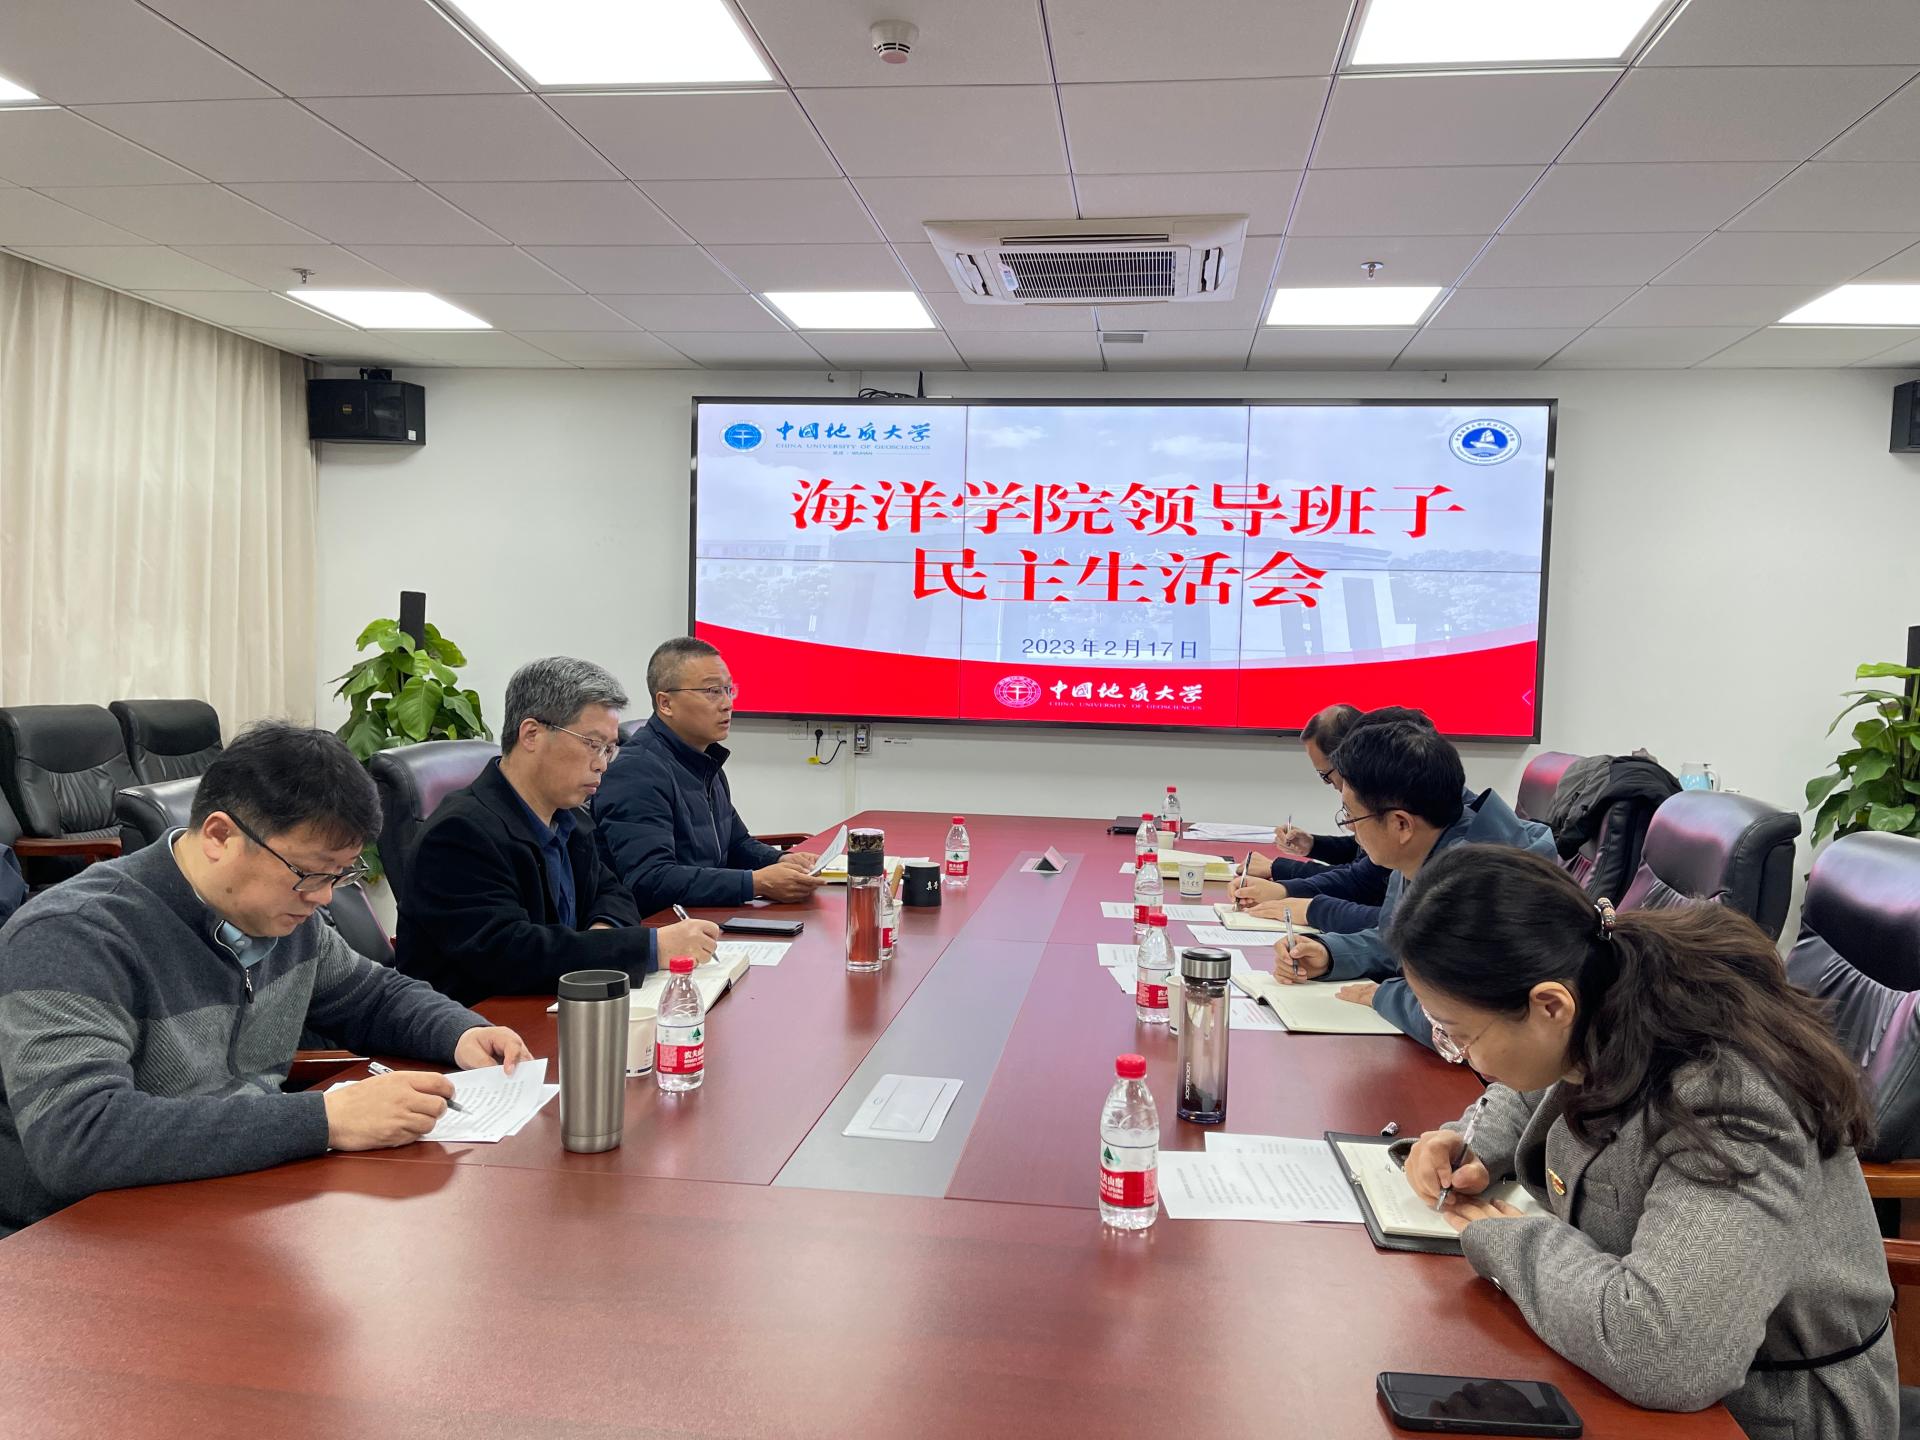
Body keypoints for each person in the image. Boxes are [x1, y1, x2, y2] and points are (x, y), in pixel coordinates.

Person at [1397, 846, 1896, 1437]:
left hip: (1771, 1411)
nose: (1460, 1055)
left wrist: (1512, 1241)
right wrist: (1475, 1141)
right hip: (1626, 1363)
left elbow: (1668, 1353)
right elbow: (1555, 1072)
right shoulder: (1607, 986)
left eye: (1459, 1036)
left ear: (1549, 1004)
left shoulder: (1728, 1101)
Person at [0, 722, 533, 1238]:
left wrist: (461, 1031)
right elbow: (78, 1137)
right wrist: (325, 1119)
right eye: (310, 873)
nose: (324, 896)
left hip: (232, 1202)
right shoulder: (72, 935)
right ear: (220, 836)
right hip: (80, 1236)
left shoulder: (282, 915)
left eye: (340, 874)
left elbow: (372, 996)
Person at [396, 657, 719, 1006]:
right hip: (484, 1023)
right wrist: (650, 948)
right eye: (592, 744)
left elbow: (615, 894)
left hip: (557, 1007)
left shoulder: (570, 819)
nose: (602, 764)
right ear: (531, 734)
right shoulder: (459, 834)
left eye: (609, 749)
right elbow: (511, 955)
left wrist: (602, 941)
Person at [1270, 716, 1556, 1043]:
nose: (1349, 827)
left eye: (1351, 815)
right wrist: (1330, 953)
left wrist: (1384, 996)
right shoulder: (1423, 849)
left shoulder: (1477, 885)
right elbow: (1396, 941)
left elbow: (1466, 1021)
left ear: (1401, 825)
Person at [593, 636, 821, 915]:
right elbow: (650, 879)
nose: (727, 704)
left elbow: (736, 843)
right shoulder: (636, 772)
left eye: (729, 690)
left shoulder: (705, 760)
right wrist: (754, 883)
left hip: (706, 915)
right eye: (713, 691)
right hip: (663, 927)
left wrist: (781, 860)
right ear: (666, 703)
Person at [1229, 704, 1426, 934]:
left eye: (1326, 775)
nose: (1353, 830)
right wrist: (1314, 846)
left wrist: (1307, 905)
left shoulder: (1448, 850)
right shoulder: (1413, 817)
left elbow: (1393, 917)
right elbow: (1363, 868)